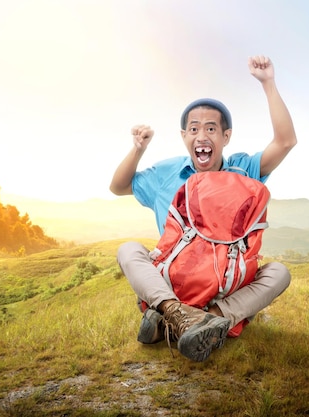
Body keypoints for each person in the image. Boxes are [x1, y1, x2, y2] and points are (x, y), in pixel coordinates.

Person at [109, 56, 297, 362]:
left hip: (225, 284)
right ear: (184, 137)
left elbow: (286, 141)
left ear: (226, 137)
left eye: (211, 128)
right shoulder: (166, 173)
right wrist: (138, 149)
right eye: (194, 129)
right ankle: (176, 312)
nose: (202, 136)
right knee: (128, 250)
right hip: (174, 280)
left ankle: (205, 317)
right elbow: (118, 186)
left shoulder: (243, 169)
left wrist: (268, 83)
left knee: (279, 273)